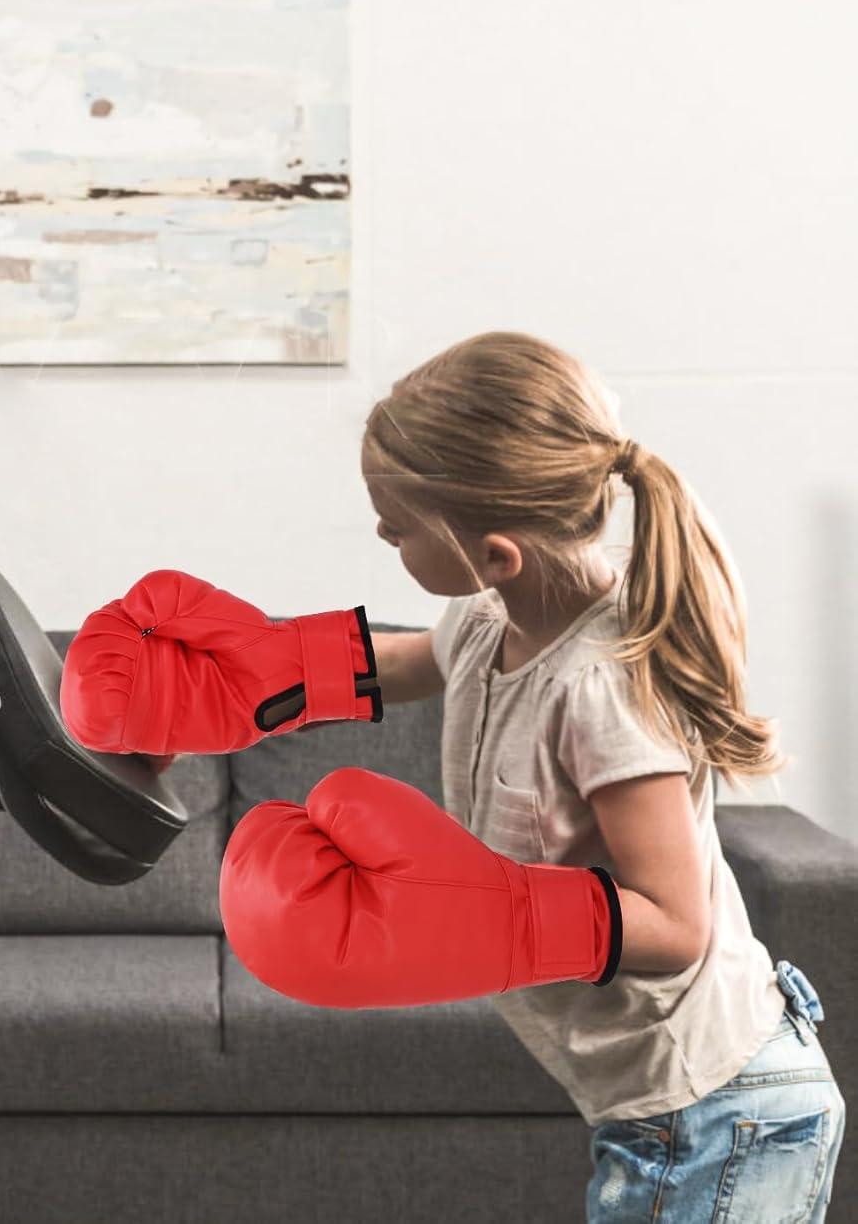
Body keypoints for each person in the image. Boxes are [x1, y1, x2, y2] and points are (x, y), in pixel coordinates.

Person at [63, 330, 846, 1221]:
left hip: (721, 1111)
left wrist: (484, 912)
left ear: (497, 552)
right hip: (666, 1107)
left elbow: (676, 925)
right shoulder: (486, 616)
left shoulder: (604, 690)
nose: (381, 534)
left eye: (398, 528)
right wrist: (263, 674)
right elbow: (406, 663)